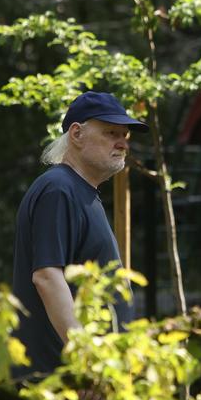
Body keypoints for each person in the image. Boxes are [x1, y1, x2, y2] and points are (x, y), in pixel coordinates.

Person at [11, 91, 146, 381]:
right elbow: (47, 277)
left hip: (81, 382)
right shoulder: (59, 189)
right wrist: (87, 364)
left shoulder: (78, 191)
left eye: (125, 135)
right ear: (77, 134)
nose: (122, 142)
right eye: (111, 132)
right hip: (63, 382)